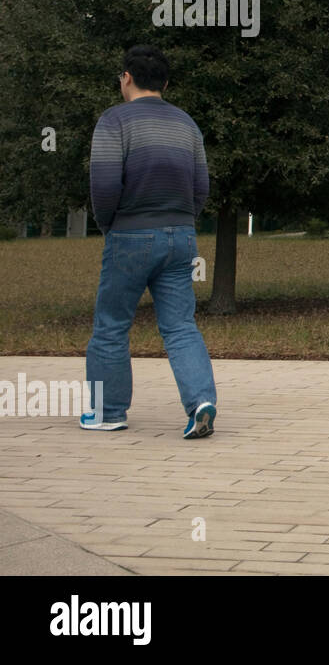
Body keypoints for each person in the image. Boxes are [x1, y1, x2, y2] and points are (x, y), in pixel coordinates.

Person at [82, 45, 217, 439]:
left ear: (126, 78)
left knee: (111, 325)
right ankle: (200, 403)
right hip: (181, 237)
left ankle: (107, 412)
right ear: (166, 83)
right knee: (180, 326)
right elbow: (201, 186)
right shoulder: (187, 124)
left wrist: (110, 226)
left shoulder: (113, 121)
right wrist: (183, 221)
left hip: (129, 233)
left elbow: (104, 185)